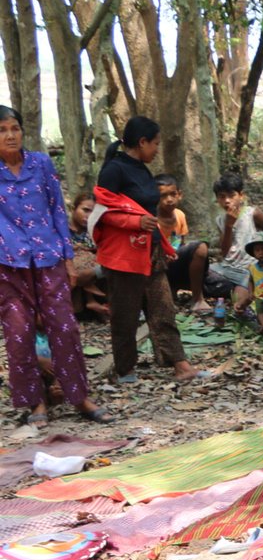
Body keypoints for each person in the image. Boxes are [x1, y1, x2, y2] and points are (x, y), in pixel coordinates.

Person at [0, 105, 106, 424]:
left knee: (64, 327)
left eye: (15, 128)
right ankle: (36, 403)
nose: (10, 135)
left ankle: (79, 396)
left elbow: (58, 210)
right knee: (18, 333)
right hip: (8, 263)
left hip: (49, 257)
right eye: (2, 130)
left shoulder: (41, 164)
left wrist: (69, 259)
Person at [93, 116, 204, 384]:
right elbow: (102, 213)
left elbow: (148, 213)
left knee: (163, 308)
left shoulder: (143, 170)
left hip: (151, 251)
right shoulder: (114, 170)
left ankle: (179, 363)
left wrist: (163, 245)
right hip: (123, 255)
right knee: (125, 313)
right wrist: (135, 223)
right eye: (155, 143)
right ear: (142, 142)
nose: (157, 149)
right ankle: (125, 369)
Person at [154, 175, 217, 313]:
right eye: (163, 195)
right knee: (200, 247)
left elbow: (180, 244)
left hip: (175, 264)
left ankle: (190, 293)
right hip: (158, 267)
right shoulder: (151, 219)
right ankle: (196, 298)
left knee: (224, 285)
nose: (169, 199)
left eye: (173, 194)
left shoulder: (180, 215)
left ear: (180, 194)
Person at [210, 172, 263, 312]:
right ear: (217, 199)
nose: (227, 201)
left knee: (240, 305)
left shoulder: (252, 214)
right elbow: (225, 252)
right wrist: (228, 226)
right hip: (227, 267)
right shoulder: (220, 220)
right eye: (222, 197)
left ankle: (243, 289)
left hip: (248, 270)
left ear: (241, 195)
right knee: (202, 270)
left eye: (231, 196)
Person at [66, 191, 109, 319]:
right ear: (73, 209)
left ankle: (92, 301)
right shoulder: (62, 229)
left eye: (93, 212)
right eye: (85, 210)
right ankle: (91, 300)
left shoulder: (94, 230)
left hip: (90, 268)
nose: (89, 216)